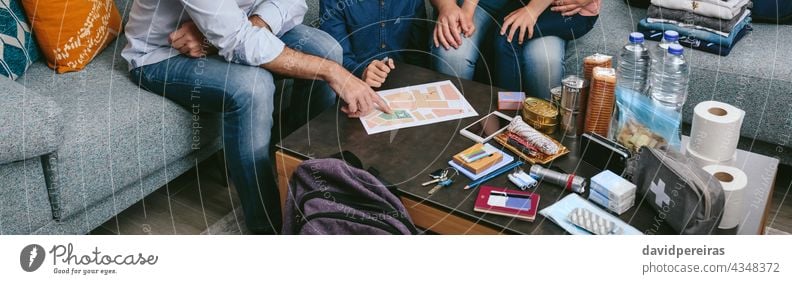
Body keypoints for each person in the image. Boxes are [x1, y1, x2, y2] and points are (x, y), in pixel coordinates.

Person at [121, 0, 391, 234]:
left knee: (326, 49)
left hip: (238, 28)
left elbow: (293, 4)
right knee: (254, 87)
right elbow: (236, 41)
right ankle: (267, 222)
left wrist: (244, 26)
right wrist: (333, 72)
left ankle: (309, 182)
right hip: (161, 55)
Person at [430, 0, 599, 98]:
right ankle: (457, 131)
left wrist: (533, 10)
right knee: (452, 52)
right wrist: (460, 9)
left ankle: (539, 134)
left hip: (546, 8)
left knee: (543, 61)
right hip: (488, 5)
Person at [318, 0, 429, 88]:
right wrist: (362, 71)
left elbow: (418, 53)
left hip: (405, 85)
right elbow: (335, 57)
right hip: (353, 87)